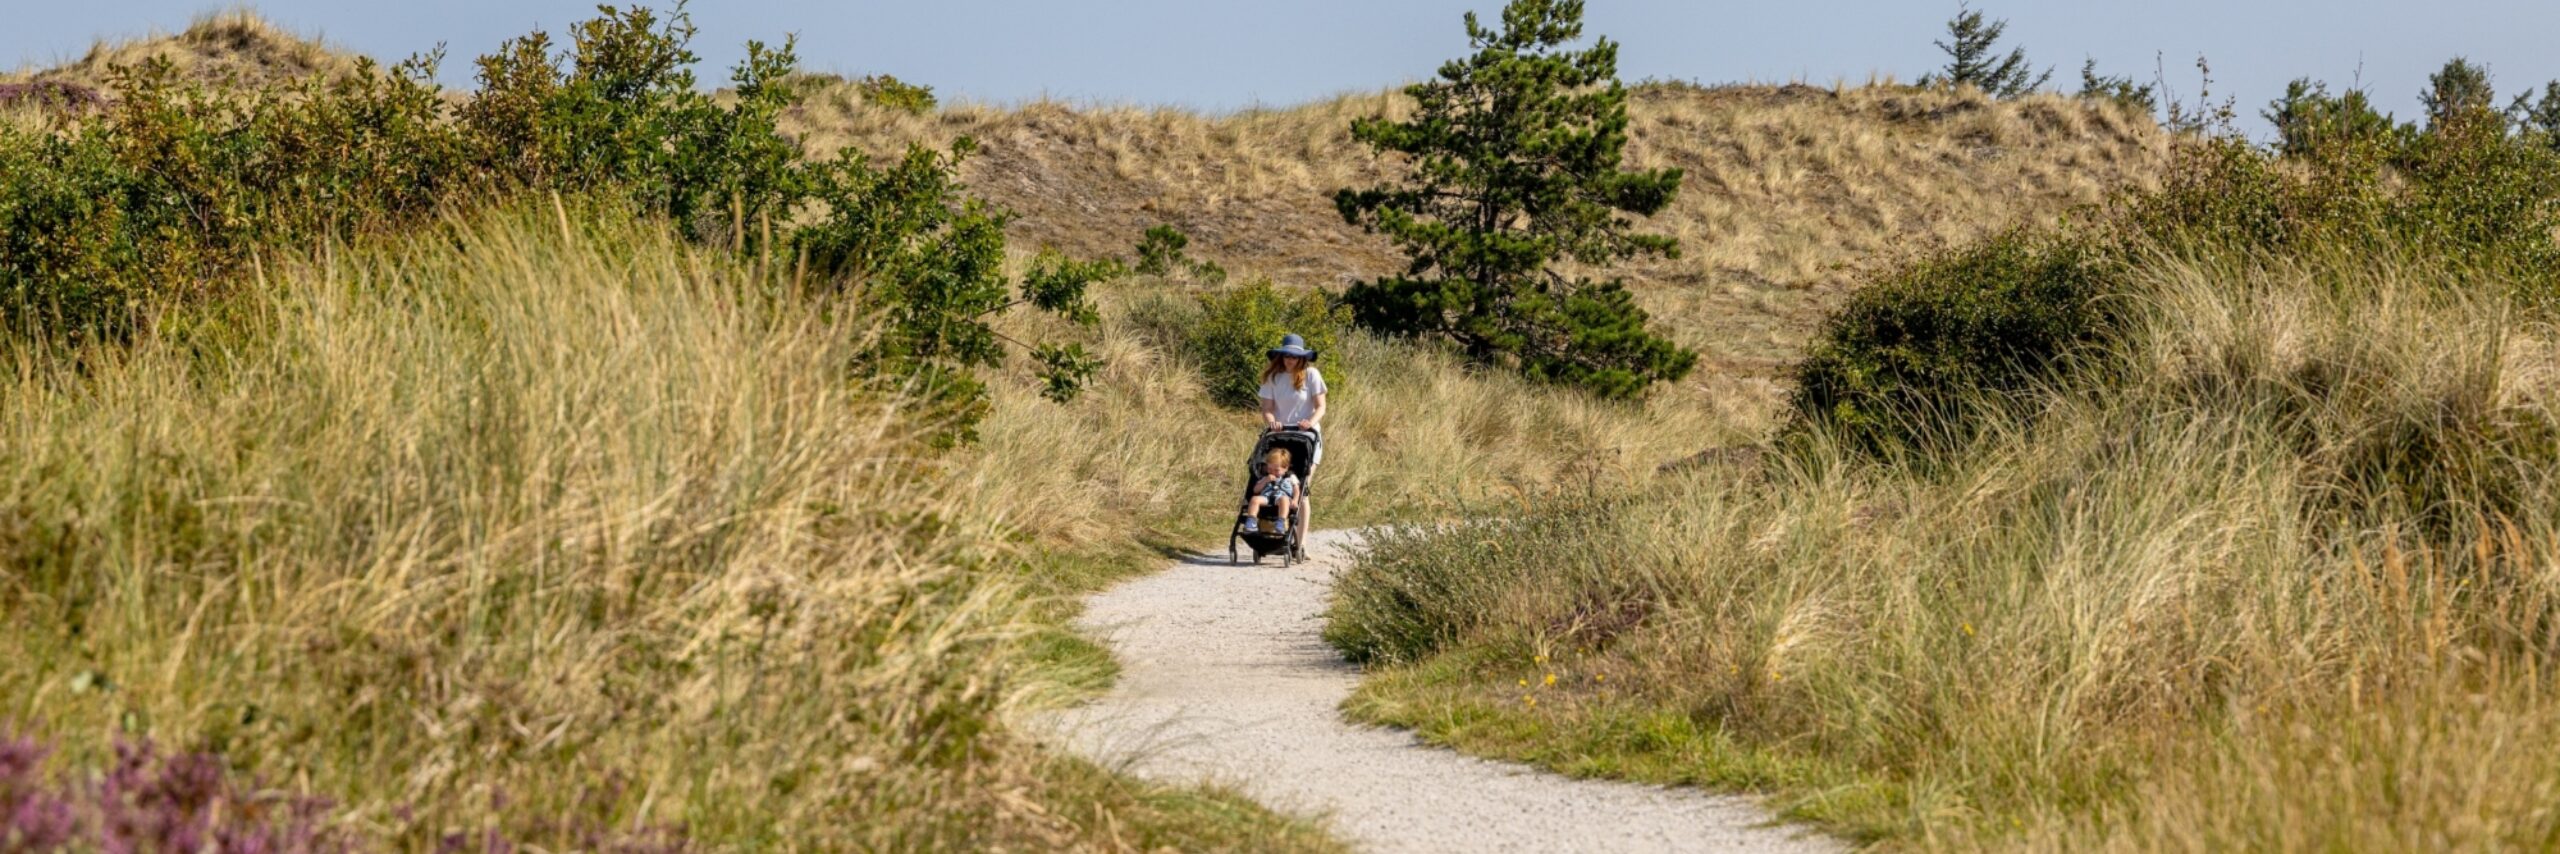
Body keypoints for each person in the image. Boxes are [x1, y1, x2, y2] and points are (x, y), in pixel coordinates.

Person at [1258, 333, 1328, 530]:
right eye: (1287, 356)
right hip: (1281, 435)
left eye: (1294, 357)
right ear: (1281, 356)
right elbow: (1267, 409)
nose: (1290, 360)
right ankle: (1276, 528)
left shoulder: (1311, 374)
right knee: (1274, 481)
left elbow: (1321, 406)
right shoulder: (1272, 378)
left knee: (1302, 487)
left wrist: (1310, 422)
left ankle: (1301, 541)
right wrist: (1272, 422)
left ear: (1301, 358)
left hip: (1307, 436)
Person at [1241, 447, 1299, 534]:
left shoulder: (1290, 477)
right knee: (1254, 499)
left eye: (1276, 470)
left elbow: (1296, 490)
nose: (1272, 472)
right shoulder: (1265, 477)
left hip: (1281, 498)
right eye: (1270, 469)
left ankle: (1281, 522)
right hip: (1267, 497)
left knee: (1284, 500)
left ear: (1285, 468)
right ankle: (1251, 521)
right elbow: (1256, 490)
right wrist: (1265, 481)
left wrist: (1295, 500)